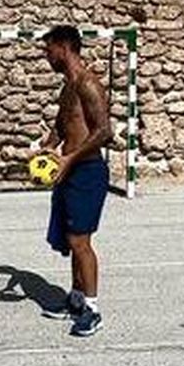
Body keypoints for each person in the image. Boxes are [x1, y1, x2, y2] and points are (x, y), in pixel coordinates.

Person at [35, 25, 112, 337]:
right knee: (70, 239)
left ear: (64, 47)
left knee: (81, 242)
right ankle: (76, 297)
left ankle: (92, 310)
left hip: (87, 170)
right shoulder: (67, 86)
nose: (46, 56)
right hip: (68, 169)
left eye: (49, 49)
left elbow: (104, 131)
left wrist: (70, 158)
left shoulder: (88, 84)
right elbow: (62, 124)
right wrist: (49, 148)